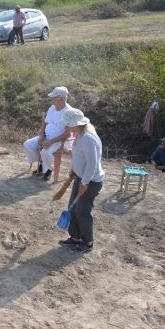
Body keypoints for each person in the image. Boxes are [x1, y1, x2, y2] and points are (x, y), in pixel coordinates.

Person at [58, 108, 105, 253]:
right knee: (72, 207)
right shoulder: (79, 134)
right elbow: (79, 156)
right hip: (81, 177)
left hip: (90, 181)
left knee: (82, 211)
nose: (66, 127)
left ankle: (87, 241)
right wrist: (74, 170)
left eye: (68, 124)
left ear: (76, 124)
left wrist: (84, 182)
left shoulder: (88, 138)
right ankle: (75, 237)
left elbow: (92, 163)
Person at [23, 86, 73, 182]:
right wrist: (42, 135)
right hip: (46, 137)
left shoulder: (69, 112)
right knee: (28, 144)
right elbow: (45, 123)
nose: (51, 99)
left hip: (59, 141)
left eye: (54, 97)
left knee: (45, 152)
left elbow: (67, 134)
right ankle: (42, 164)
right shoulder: (52, 108)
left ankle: (48, 170)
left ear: (61, 98)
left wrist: (51, 142)